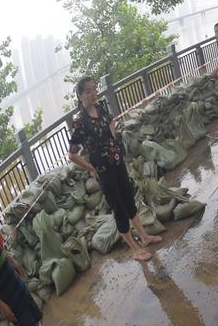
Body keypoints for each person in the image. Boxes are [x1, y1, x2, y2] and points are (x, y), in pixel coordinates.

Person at [68, 78, 162, 261]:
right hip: (104, 170)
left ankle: (144, 237)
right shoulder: (80, 123)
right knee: (119, 208)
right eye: (87, 91)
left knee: (129, 199)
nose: (93, 93)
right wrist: (91, 168)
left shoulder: (101, 108)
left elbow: (111, 123)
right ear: (80, 96)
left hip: (117, 163)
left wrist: (113, 144)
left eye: (94, 89)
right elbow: (72, 155)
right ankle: (134, 249)